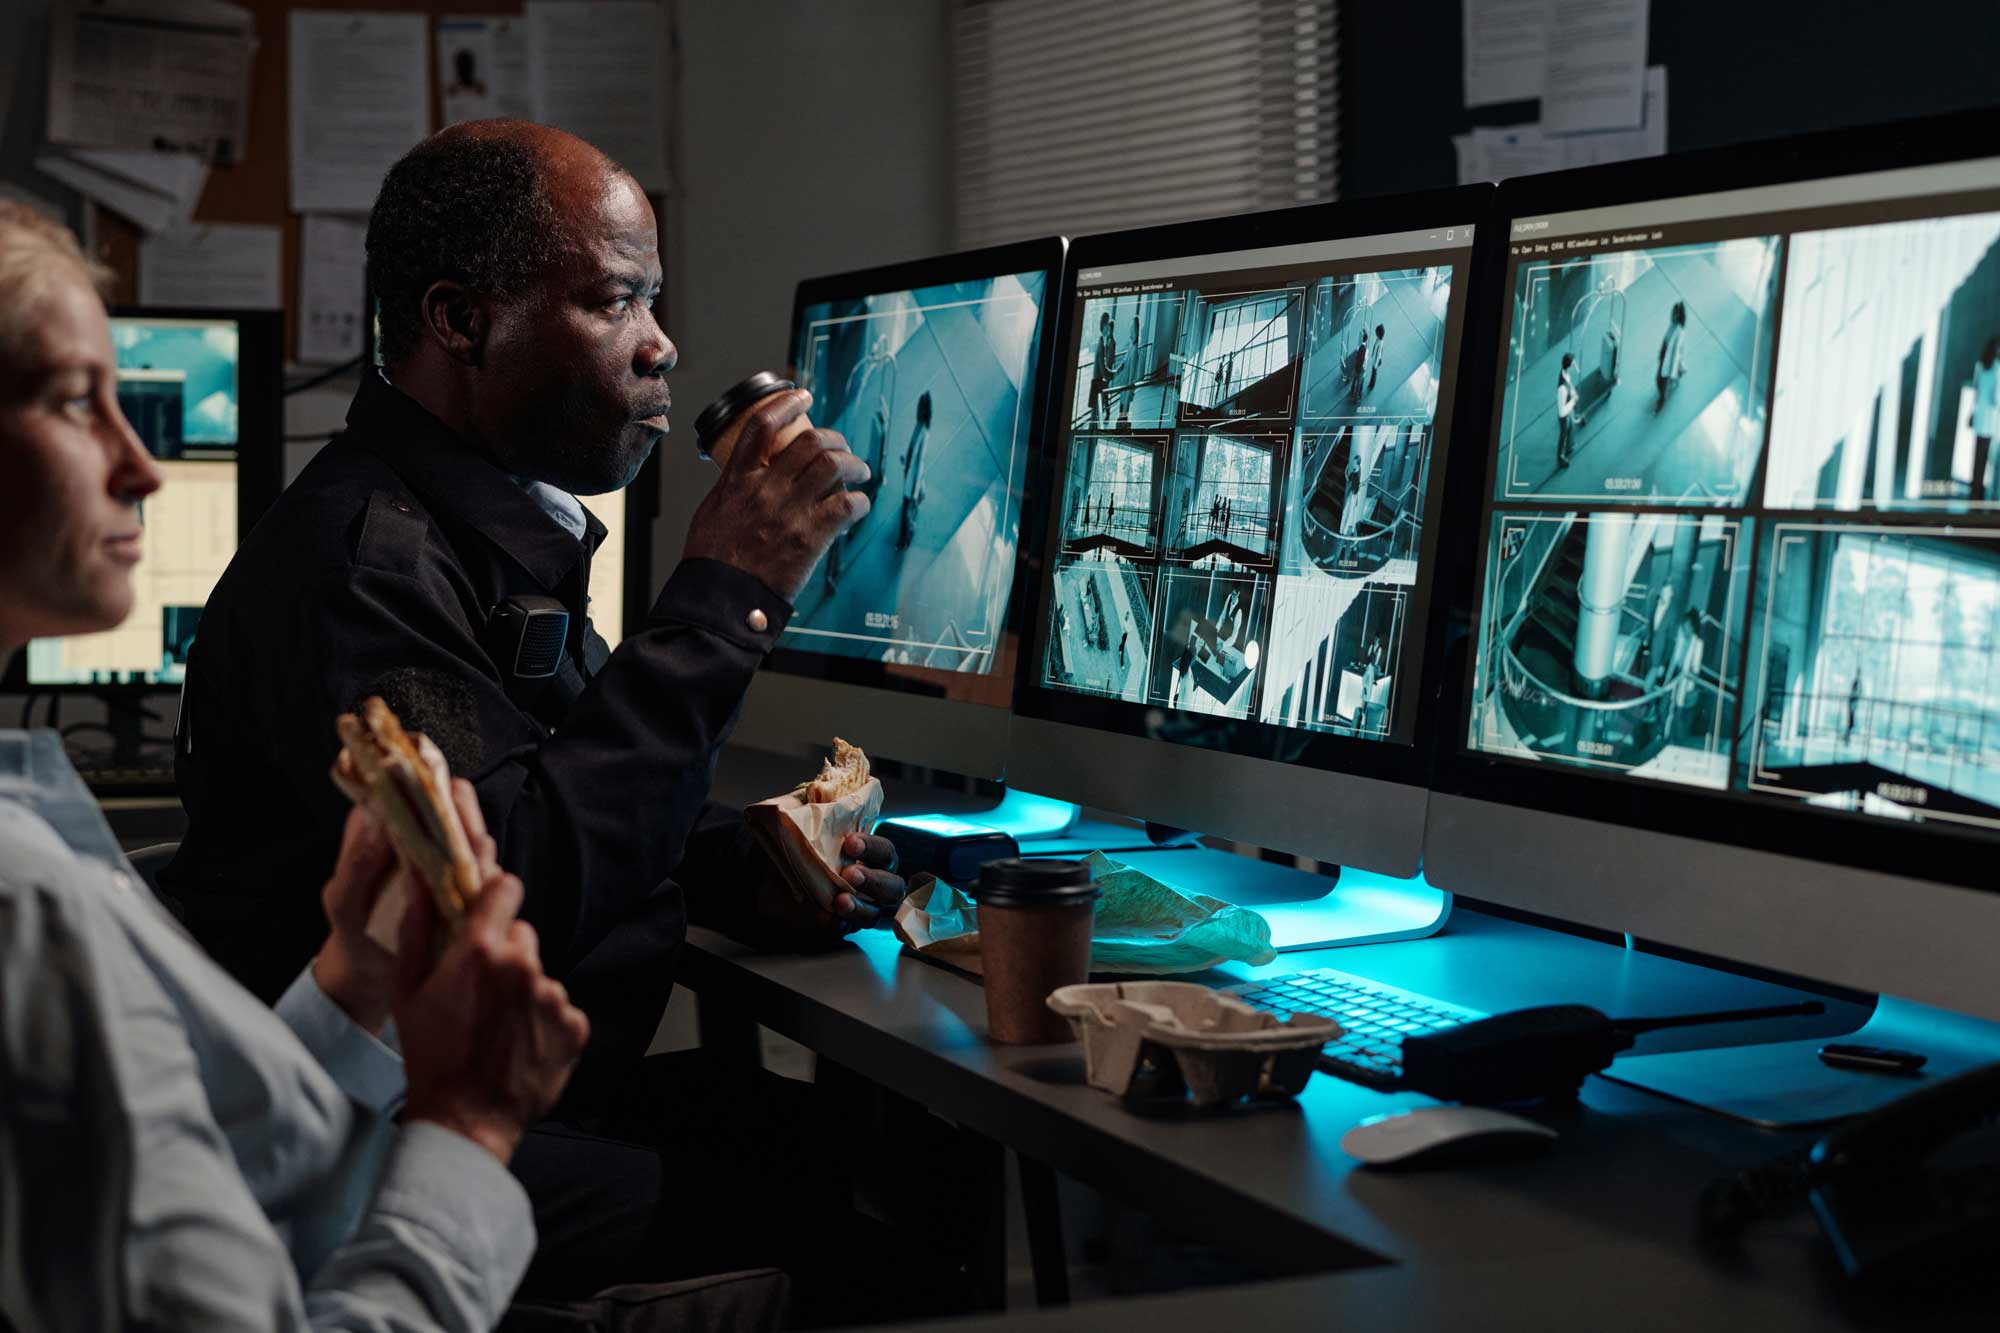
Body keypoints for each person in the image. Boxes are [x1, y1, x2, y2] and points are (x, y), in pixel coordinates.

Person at [161, 122, 916, 1311]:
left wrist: (752, 867)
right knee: (857, 1232)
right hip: (372, 1138)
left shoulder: (469, 523)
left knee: (869, 1150)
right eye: (615, 301)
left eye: (651, 299)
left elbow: (550, 774)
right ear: (460, 320)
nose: (661, 344)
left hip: (487, 1090)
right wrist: (724, 595)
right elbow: (512, 887)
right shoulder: (366, 571)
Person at [0, 200, 597, 1331]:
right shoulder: (22, 905)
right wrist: (468, 1128)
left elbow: (192, 1179)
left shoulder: (29, 826)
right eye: (75, 401)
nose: (142, 466)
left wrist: (351, 988)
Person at [896, 389, 932, 550]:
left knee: (906, 511)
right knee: (906, 510)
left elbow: (920, 461)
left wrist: (915, 491)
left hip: (912, 481)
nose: (917, 410)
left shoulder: (923, 432)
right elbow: (912, 451)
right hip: (909, 474)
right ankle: (904, 537)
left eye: (920, 408)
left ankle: (904, 539)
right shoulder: (918, 427)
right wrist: (905, 459)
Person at [1971, 336, 1999, 502]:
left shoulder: (1979, 366)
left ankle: (1975, 490)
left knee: (1977, 458)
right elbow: (1996, 399)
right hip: (1991, 420)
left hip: (1980, 417)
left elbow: (1975, 390)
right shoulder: (1998, 369)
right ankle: (1984, 494)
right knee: (1990, 459)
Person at [1655, 301, 1687, 414]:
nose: (1671, 315)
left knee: (1659, 380)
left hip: (1668, 362)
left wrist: (1672, 369)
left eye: (1674, 313)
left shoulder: (1679, 331)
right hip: (1665, 358)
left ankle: (1662, 399)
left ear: (1677, 316)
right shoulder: (1673, 325)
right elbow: (1666, 340)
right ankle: (1676, 375)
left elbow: (1676, 351)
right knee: (1659, 380)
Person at [1089, 311, 1119, 427]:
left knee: (1095, 418)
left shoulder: (1102, 341)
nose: (1109, 327)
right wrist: (1114, 374)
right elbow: (1102, 369)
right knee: (1094, 419)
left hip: (1097, 383)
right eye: (1108, 324)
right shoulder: (1101, 342)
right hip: (1098, 383)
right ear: (1105, 325)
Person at [1556, 352, 1581, 469]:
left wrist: (1573, 392)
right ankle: (1560, 457)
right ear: (1569, 366)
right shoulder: (1562, 389)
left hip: (1569, 409)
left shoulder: (1566, 374)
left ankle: (1569, 447)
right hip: (1564, 415)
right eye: (1574, 363)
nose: (1575, 365)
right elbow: (1561, 411)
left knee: (1571, 427)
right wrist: (1573, 401)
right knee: (1564, 433)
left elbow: (1570, 385)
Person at [1368, 321, 1386, 392]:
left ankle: (1371, 385)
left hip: (1376, 361)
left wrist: (1375, 365)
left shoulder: (1380, 342)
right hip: (1374, 360)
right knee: (1373, 372)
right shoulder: (1378, 339)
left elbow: (1378, 355)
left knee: (1374, 373)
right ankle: (1371, 384)